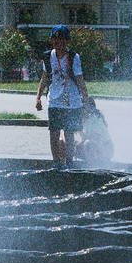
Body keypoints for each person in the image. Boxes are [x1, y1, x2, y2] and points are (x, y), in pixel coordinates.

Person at [34, 25, 91, 166]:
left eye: (63, 39)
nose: (59, 42)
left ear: (67, 41)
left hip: (72, 101)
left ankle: (69, 162)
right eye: (56, 39)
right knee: (53, 132)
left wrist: (86, 101)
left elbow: (80, 80)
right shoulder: (48, 57)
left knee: (69, 132)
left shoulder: (73, 57)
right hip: (55, 100)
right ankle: (56, 163)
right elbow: (45, 77)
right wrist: (38, 97)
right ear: (51, 40)